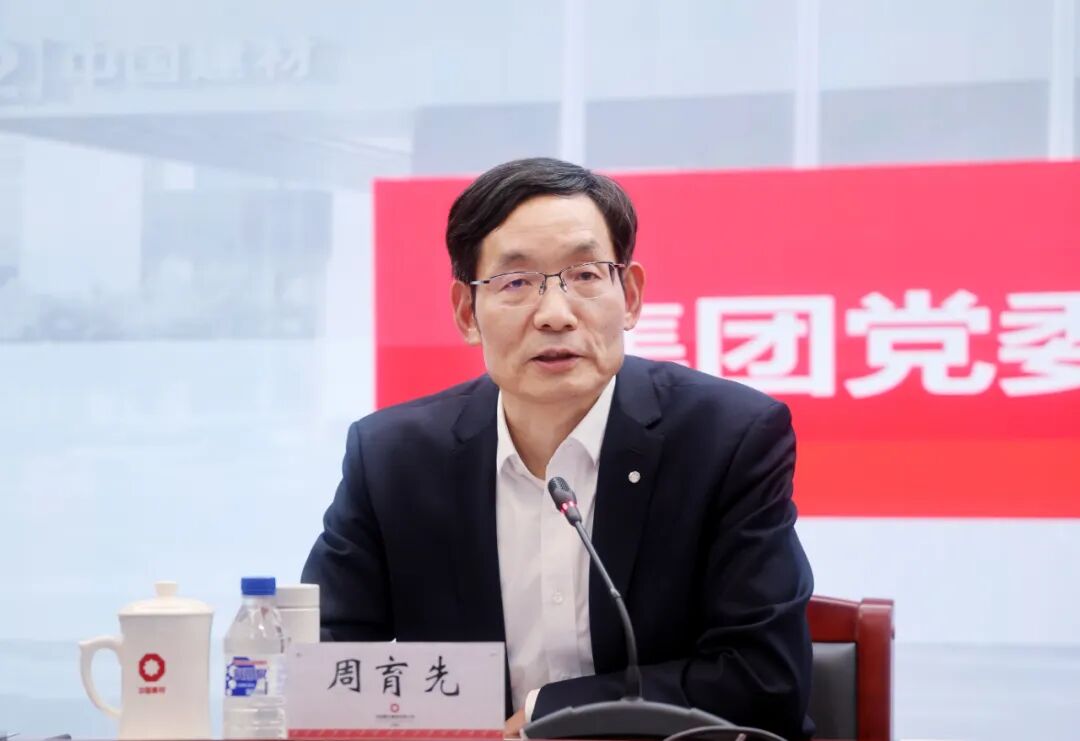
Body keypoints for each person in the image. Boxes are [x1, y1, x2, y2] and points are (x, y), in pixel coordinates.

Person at [301, 157, 815, 740]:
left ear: (630, 296)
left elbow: (764, 680)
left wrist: (548, 714)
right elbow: (325, 665)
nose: (554, 314)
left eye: (585, 275)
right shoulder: (393, 459)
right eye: (516, 283)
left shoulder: (727, 438)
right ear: (467, 312)